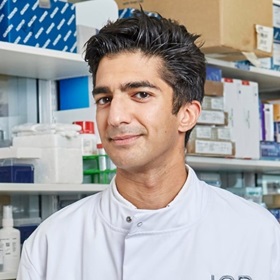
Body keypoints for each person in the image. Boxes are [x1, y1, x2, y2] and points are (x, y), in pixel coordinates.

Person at [17, 9, 280, 280]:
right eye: (104, 99)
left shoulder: (257, 233)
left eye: (141, 94)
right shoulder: (51, 244)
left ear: (187, 114)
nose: (116, 117)